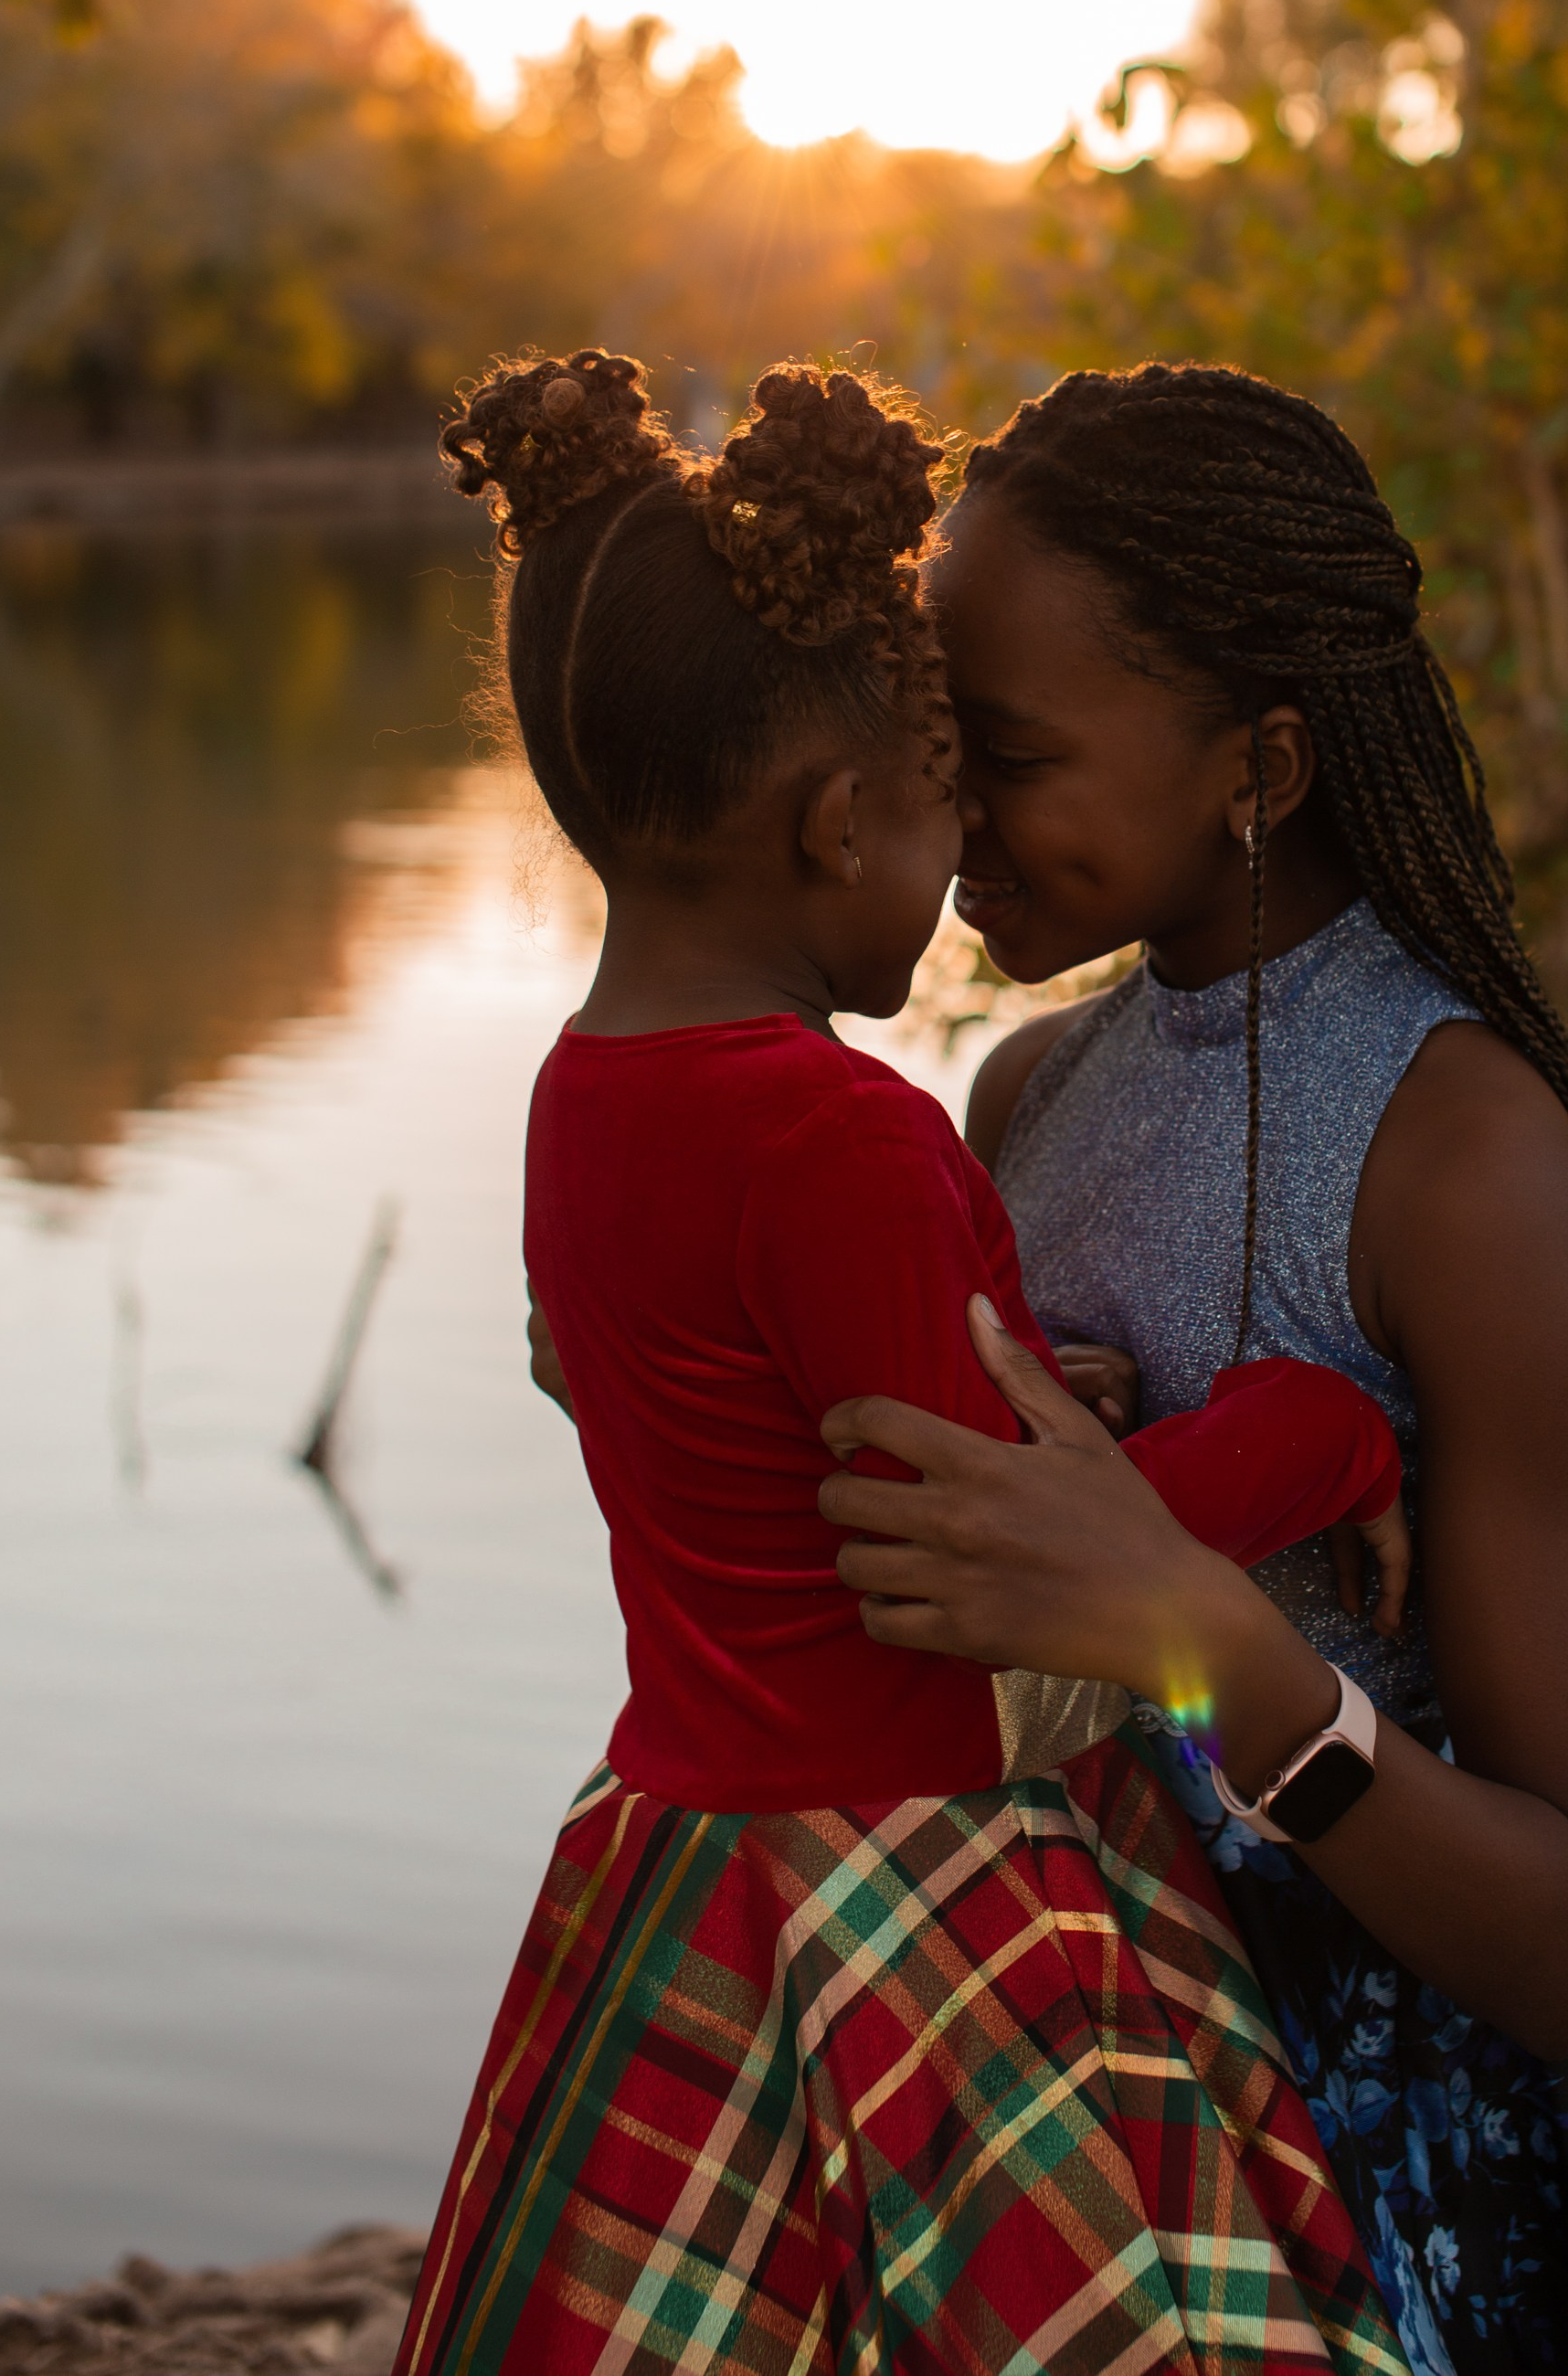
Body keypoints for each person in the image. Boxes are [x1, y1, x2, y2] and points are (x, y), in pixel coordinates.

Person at [814, 366, 1568, 2376]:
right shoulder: (1022, 1097)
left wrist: (1202, 1646)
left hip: (1395, 2160)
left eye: (1013, 754)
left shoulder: (1457, 1156)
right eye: (938, 744)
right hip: (1079, 2103)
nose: (947, 810)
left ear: (1262, 765)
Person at [397, 347, 1416, 2376]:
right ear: (837, 818)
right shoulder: (840, 1133)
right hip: (902, 1876)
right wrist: (1321, 1439)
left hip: (676, 1854)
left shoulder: (581, 1096)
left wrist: (1017, 1360)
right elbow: (1015, 1572)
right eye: (949, 803)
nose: (963, 874)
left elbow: (781, 1417)